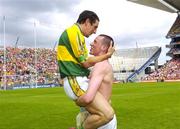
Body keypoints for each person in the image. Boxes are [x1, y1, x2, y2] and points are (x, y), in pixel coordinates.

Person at [57, 10, 115, 129]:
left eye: (95, 41)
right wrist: (107, 55)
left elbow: (85, 63)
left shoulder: (78, 35)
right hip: (76, 81)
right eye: (94, 27)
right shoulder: (74, 33)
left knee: (106, 113)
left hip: (79, 82)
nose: (95, 31)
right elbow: (85, 63)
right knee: (107, 113)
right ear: (87, 22)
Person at [76, 34, 117, 129]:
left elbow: (88, 98)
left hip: (100, 120)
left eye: (95, 42)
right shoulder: (101, 64)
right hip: (100, 117)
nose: (91, 44)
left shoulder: (100, 66)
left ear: (103, 47)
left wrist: (77, 101)